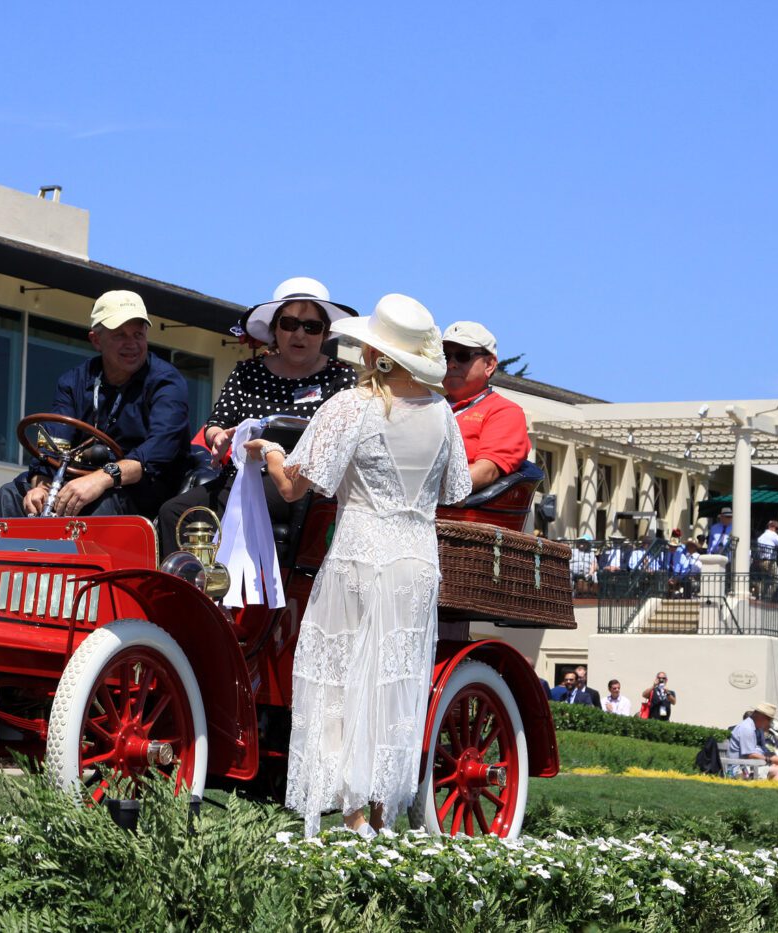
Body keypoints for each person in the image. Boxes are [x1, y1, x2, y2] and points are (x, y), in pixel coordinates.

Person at [244, 292, 469, 838]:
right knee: (393, 685)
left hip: (359, 554)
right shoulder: (442, 414)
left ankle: (348, 813)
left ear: (377, 353)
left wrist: (269, 451)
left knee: (340, 681)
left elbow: (294, 488)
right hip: (416, 558)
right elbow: (456, 490)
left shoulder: (351, 408)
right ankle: (381, 813)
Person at [156, 277, 358, 555]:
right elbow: (217, 424)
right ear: (275, 329)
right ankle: (184, 591)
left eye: (311, 327)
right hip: (241, 475)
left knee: (244, 500)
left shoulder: (341, 376)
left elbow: (345, 438)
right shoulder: (248, 372)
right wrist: (219, 438)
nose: (299, 334)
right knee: (173, 511)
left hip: (302, 485)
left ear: (324, 334)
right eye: (289, 324)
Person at [0, 291, 191, 520]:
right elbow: (54, 445)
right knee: (12, 495)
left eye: (138, 334)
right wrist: (42, 487)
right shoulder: (74, 381)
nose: (132, 344)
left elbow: (159, 451)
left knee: (98, 506)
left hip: (144, 490)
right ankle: (16, 555)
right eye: (120, 335)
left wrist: (101, 479)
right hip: (84, 479)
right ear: (96, 340)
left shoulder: (167, 382)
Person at [439, 321, 530, 491]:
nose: (451, 363)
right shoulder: (427, 404)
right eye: (445, 355)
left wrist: (423, 493)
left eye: (463, 355)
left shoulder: (504, 412)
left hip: (451, 512)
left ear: (489, 365)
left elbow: (485, 472)